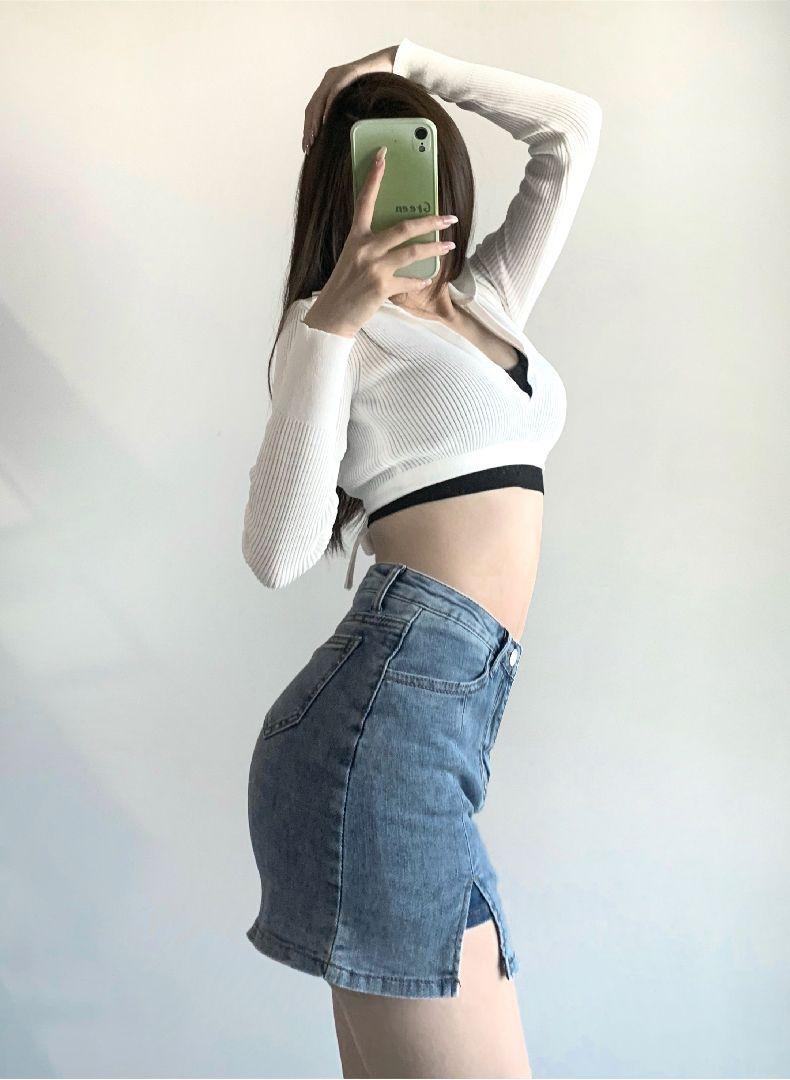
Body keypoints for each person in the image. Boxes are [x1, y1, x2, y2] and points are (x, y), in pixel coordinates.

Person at [243, 37, 602, 1078]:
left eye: (423, 160)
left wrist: (409, 65)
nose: (416, 195)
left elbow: (570, 131)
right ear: (340, 193)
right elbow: (276, 554)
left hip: (442, 725)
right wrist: (332, 321)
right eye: (382, 171)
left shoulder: (488, 303)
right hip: (383, 729)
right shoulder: (332, 334)